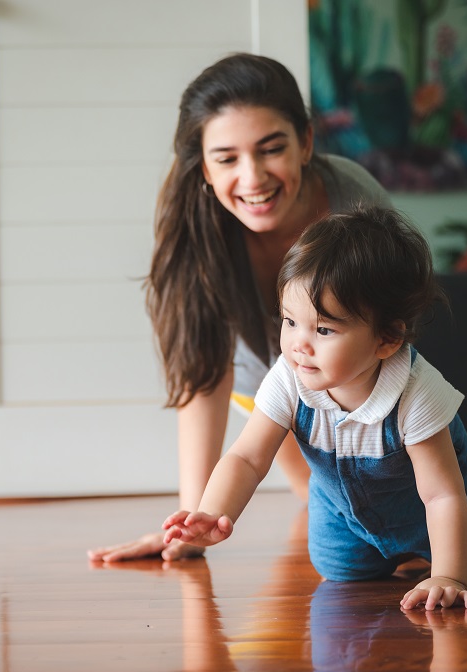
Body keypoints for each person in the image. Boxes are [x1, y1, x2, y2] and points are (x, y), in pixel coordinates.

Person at [87, 53, 390, 562]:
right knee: (319, 501)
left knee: (372, 513)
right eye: (226, 158)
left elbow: (390, 349)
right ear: (203, 166)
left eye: (271, 150)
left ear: (306, 142)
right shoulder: (195, 226)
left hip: (353, 382)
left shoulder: (356, 205)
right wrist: (191, 523)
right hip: (264, 388)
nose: (252, 179)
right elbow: (203, 375)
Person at [162, 206, 467, 610]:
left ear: (387, 339)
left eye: (324, 329)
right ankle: (377, 552)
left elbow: (440, 497)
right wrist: (212, 512)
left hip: (429, 508)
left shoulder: (417, 392)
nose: (299, 344)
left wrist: (448, 575)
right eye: (289, 321)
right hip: (344, 512)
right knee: (339, 573)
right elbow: (246, 457)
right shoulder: (290, 376)